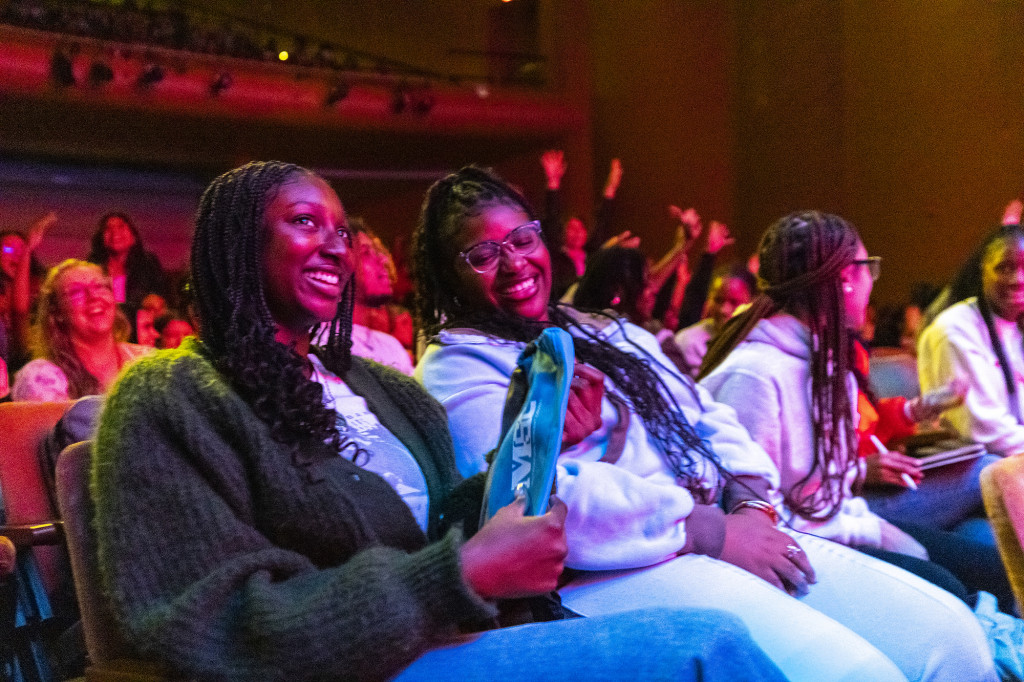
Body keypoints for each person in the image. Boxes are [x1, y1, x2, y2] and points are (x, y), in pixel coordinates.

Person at [91, 160, 788, 682]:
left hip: (445, 635)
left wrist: (533, 444)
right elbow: (216, 625)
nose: (337, 245)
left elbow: (442, 527)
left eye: (342, 230)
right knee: (706, 648)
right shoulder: (170, 396)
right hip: (361, 668)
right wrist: (463, 575)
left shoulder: (384, 389)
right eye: (306, 223)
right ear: (235, 245)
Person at [412, 166, 995, 682]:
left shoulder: (609, 330)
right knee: (858, 673)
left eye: (521, 238)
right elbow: (541, 497)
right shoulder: (455, 364)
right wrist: (706, 530)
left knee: (949, 639)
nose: (514, 262)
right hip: (617, 565)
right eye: (483, 255)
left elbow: (706, 417)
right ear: (448, 274)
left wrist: (747, 503)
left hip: (726, 523)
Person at [698, 211, 1010, 608]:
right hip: (809, 546)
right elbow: (761, 519)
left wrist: (871, 522)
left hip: (842, 521)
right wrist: (871, 530)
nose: (871, 281)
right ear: (846, 278)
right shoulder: (754, 374)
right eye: (869, 268)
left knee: (990, 563)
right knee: (944, 579)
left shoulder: (827, 363)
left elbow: (829, 485)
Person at [919, 223, 1024, 457]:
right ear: (982, 271)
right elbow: (988, 433)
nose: (1018, 279)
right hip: (973, 467)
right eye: (1004, 268)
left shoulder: (1016, 328)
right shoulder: (955, 331)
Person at [11, 259, 150, 402]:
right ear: (58, 313)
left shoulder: (147, 361)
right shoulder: (42, 377)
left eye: (99, 287)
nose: (93, 296)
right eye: (76, 291)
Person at [674, 265, 756, 377]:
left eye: (734, 302)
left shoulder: (757, 345)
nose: (724, 310)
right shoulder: (688, 341)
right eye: (718, 300)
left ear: (752, 303)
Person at [86, 211, 169, 314]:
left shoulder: (148, 263)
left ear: (133, 237)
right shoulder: (91, 267)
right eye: (108, 228)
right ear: (101, 239)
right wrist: (140, 303)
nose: (114, 232)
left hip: (140, 323)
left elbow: (160, 298)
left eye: (121, 227)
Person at [0, 214, 54, 367]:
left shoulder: (41, 289)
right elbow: (18, 311)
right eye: (9, 249)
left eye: (22, 249)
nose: (17, 254)